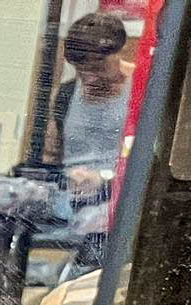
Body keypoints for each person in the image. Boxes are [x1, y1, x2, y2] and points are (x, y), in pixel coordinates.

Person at [46, 12, 131, 195]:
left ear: (120, 51)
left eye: (98, 68)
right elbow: (53, 154)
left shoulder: (143, 92)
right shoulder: (66, 94)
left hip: (121, 198)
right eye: (81, 71)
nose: (90, 79)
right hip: (72, 198)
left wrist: (104, 179)